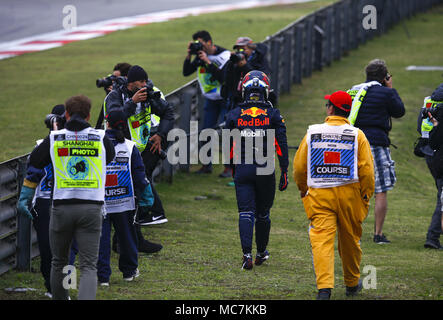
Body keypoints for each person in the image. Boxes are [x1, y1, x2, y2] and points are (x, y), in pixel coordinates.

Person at [27, 95, 115, 300]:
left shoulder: (55, 138)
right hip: (91, 206)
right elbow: (108, 158)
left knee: (59, 262)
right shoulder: (100, 136)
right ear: (89, 115)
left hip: (61, 206)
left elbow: (35, 161)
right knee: (88, 266)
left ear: (66, 114)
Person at [293, 90, 375, 300]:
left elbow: (300, 166)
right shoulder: (358, 135)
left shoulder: (313, 132)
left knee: (321, 240)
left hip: (319, 194)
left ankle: (324, 289)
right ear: (347, 112)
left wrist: (303, 188)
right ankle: (351, 282)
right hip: (350, 194)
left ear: (331, 108)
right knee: (350, 239)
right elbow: (366, 170)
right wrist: (366, 195)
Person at [224, 70, 289, 270]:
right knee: (263, 214)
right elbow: (281, 145)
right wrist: (284, 170)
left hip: (243, 169)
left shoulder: (234, 114)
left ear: (244, 91)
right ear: (266, 91)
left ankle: (246, 255)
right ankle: (261, 252)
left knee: (245, 212)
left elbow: (228, 147)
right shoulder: (274, 114)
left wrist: (232, 168)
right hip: (265, 169)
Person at [104, 65, 172, 250]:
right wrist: (132, 102)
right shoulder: (115, 96)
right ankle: (126, 241)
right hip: (116, 153)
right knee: (124, 197)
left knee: (135, 196)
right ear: (132, 82)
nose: (145, 85)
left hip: (137, 152)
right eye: (141, 82)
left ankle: (127, 241)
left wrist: (160, 135)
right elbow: (115, 117)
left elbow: (168, 112)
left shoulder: (147, 94)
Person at [347, 59, 405, 244]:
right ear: (385, 77)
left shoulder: (354, 91)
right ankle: (378, 234)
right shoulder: (386, 93)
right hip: (376, 144)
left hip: (352, 143)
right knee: (380, 190)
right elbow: (399, 111)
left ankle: (351, 231)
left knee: (353, 189)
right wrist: (389, 88)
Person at [97, 110, 156, 286]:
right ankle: (129, 272)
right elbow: (140, 175)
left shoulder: (97, 143)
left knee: (102, 240)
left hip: (101, 201)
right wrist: (147, 197)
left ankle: (103, 277)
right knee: (128, 238)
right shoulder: (130, 146)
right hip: (125, 201)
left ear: (107, 122)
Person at [17, 104, 66, 298]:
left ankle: (64, 288)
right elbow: (33, 171)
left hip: (66, 200)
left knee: (67, 250)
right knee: (48, 249)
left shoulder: (75, 141)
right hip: (45, 201)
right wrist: (25, 198)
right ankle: (52, 287)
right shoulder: (42, 144)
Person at [183, 30, 231, 174]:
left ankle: (229, 168)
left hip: (225, 99)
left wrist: (208, 62)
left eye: (201, 44)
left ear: (209, 42)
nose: (200, 47)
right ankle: (206, 165)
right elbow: (186, 72)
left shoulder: (225, 56)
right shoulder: (199, 56)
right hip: (210, 100)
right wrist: (189, 54)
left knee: (226, 132)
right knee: (206, 132)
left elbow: (224, 78)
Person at [222, 36, 271, 111]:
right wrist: (231, 63)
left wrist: (245, 66)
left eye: (243, 49)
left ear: (251, 48)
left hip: (255, 99)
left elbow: (261, 77)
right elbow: (227, 80)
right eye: (238, 49)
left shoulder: (259, 58)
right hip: (237, 99)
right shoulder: (235, 61)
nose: (240, 52)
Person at [424, 92, 443, 250]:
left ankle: (433, 235)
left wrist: (436, 124)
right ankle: (433, 236)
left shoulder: (437, 106)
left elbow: (434, 141)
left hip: (438, 161)